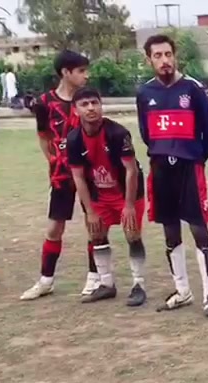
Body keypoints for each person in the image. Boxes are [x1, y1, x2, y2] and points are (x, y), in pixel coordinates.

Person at [137, 34, 208, 317]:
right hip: (161, 169)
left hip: (189, 167)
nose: (164, 60)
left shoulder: (192, 89)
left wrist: (199, 157)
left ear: (175, 56)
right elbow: (146, 134)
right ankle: (182, 291)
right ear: (149, 60)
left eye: (168, 54)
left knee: (198, 227)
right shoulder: (144, 93)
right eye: (158, 56)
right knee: (170, 228)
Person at [20, 50, 98, 301]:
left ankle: (94, 277)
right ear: (65, 72)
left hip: (89, 173)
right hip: (62, 176)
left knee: (94, 224)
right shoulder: (45, 103)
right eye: (81, 71)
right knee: (55, 227)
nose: (86, 76)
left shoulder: (87, 99)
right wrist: (55, 163)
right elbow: (44, 138)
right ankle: (46, 280)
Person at [67, 87, 148, 306]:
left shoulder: (118, 133)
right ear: (75, 110)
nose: (91, 108)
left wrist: (129, 205)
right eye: (84, 104)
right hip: (99, 195)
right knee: (96, 235)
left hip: (126, 192)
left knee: (132, 234)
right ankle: (106, 284)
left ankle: (138, 285)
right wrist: (89, 211)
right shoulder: (74, 139)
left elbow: (131, 170)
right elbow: (78, 177)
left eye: (94, 103)